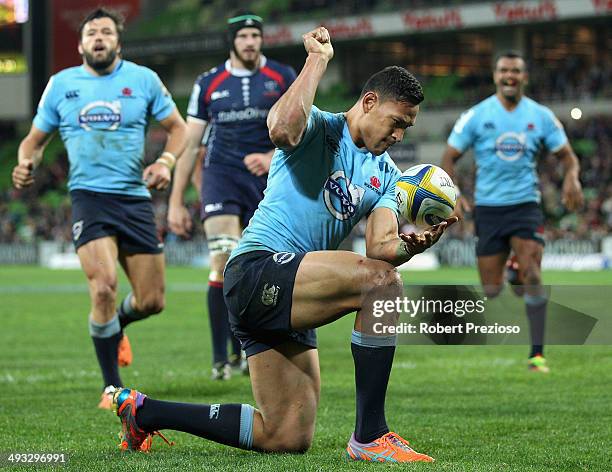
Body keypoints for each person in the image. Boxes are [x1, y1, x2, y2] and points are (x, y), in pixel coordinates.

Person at [111, 27, 457, 462]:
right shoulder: (318, 126)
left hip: (293, 290)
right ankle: (371, 435)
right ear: (370, 102)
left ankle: (144, 412)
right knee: (382, 285)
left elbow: (381, 249)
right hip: (257, 269)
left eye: (408, 128)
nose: (400, 135)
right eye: (397, 122)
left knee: (286, 435)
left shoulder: (388, 174)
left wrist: (414, 245)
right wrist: (317, 59)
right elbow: (280, 129)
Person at [11, 8, 187, 408]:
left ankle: (116, 326)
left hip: (134, 199)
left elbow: (179, 128)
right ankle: (112, 386)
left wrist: (165, 163)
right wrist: (26, 163)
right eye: (92, 32)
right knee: (104, 286)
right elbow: (33, 142)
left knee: (152, 301)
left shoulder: (143, 80)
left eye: (107, 32)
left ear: (118, 43)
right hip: (88, 198)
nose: (99, 37)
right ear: (80, 44)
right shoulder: (61, 85)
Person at [167, 11, 296, 380]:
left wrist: (272, 156)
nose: (251, 42)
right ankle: (219, 357)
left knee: (258, 266)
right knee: (222, 260)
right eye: (244, 36)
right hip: (220, 175)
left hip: (268, 179)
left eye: (256, 35)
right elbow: (191, 145)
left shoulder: (283, 77)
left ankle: (246, 350)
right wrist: (176, 202)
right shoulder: (208, 83)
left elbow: (300, 127)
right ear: (233, 42)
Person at [441, 51, 583, 373]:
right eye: (504, 70)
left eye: (516, 71)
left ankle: (537, 355)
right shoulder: (476, 115)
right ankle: (510, 270)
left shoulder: (541, 116)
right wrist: (455, 194)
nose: (510, 76)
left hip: (525, 205)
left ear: (524, 77)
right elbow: (448, 158)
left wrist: (572, 176)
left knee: (533, 273)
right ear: (495, 76)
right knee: (491, 290)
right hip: (489, 209)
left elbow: (568, 156)